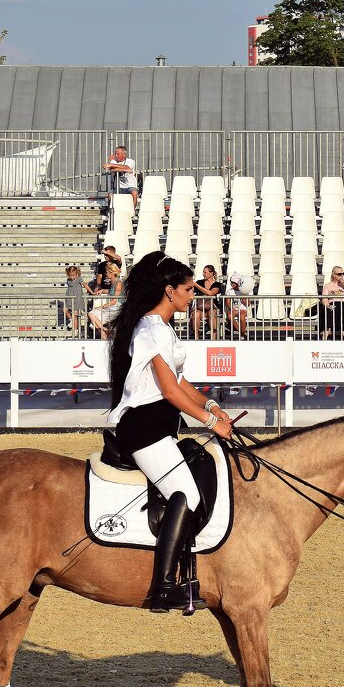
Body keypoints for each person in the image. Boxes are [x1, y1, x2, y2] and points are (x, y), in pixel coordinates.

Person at [106, 251, 233, 612]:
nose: (194, 295)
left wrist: (210, 405)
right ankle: (163, 588)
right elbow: (170, 391)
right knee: (186, 495)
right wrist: (211, 425)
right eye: (189, 289)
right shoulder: (150, 329)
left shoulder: (160, 329)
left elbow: (181, 382)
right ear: (169, 291)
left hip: (158, 426)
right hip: (144, 428)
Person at [88, 261, 124, 339]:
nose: (105, 274)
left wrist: (101, 307)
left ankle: (104, 331)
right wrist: (102, 291)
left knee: (92, 316)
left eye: (107, 272)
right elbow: (111, 292)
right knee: (93, 319)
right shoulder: (114, 282)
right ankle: (104, 331)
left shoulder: (118, 283)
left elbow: (114, 301)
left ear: (111, 273)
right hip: (112, 308)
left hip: (116, 309)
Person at [320, 267, 344, 340]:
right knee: (327, 316)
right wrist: (328, 305)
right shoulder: (327, 286)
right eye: (339, 274)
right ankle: (323, 341)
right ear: (334, 275)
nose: (341, 276)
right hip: (333, 305)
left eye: (343, 274)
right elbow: (324, 299)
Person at [191, 264, 223, 339]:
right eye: (203, 272)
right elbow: (191, 291)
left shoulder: (217, 284)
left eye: (205, 272)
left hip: (212, 307)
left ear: (211, 273)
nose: (203, 274)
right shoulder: (199, 282)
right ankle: (196, 338)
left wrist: (196, 285)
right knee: (196, 314)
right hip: (200, 307)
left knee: (212, 313)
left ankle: (213, 338)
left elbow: (210, 293)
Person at [225, 272, 254, 339]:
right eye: (231, 282)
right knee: (229, 316)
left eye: (233, 282)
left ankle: (242, 332)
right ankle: (241, 331)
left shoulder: (244, 291)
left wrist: (243, 296)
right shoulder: (229, 291)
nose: (231, 284)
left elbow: (248, 303)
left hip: (242, 309)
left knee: (242, 316)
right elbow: (228, 302)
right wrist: (232, 309)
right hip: (233, 309)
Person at [64, 265, 86, 334]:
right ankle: (71, 320)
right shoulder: (68, 280)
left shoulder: (79, 279)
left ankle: (75, 330)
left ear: (77, 274)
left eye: (73, 275)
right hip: (69, 298)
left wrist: (91, 292)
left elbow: (85, 285)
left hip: (77, 299)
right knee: (65, 310)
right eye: (70, 275)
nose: (72, 277)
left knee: (75, 315)